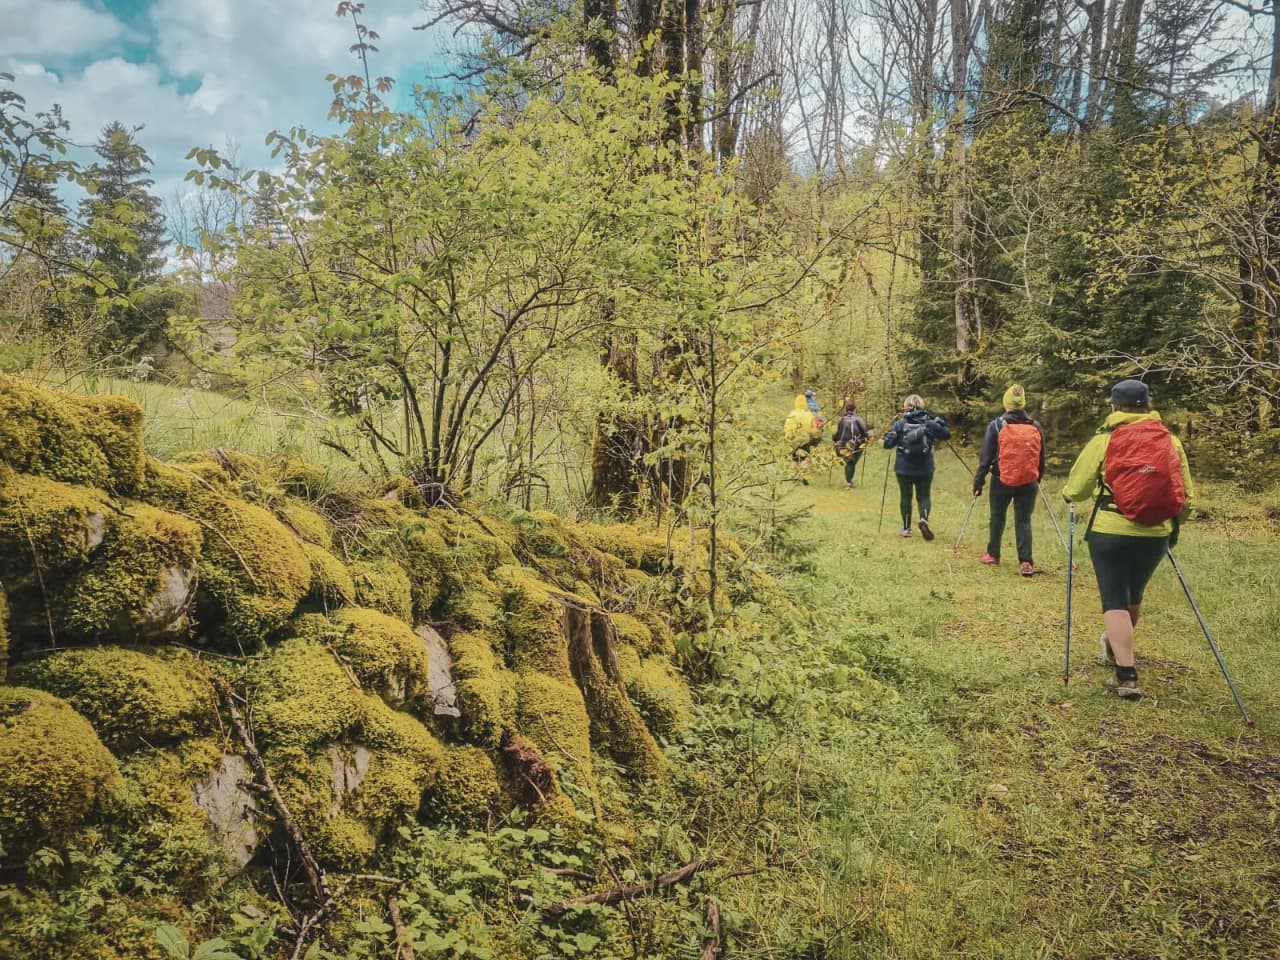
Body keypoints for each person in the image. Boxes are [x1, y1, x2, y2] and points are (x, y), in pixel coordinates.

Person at [1063, 379, 1193, 699]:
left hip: (1110, 530)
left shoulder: (1105, 439)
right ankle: (1116, 648)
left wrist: (1067, 494)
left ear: (1114, 406)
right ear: (1149, 405)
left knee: (1113, 599)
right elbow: (1186, 497)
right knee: (1133, 593)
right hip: (1156, 534)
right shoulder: (1170, 441)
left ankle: (1126, 675)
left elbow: (1077, 488)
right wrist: (1173, 526)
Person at [972, 384, 1046, 576]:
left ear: (1006, 403)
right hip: (1028, 481)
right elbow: (1041, 457)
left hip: (1001, 479)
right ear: (1023, 403)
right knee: (1023, 520)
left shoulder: (996, 425)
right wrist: (1038, 479)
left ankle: (993, 554)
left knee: (997, 517)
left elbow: (985, 458)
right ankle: (1026, 561)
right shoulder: (1035, 426)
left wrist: (978, 482)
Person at [883, 394, 950, 539]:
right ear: (922, 406)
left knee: (905, 496)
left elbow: (887, 445)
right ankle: (923, 519)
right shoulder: (931, 423)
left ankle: (906, 529)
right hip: (925, 466)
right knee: (924, 495)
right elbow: (946, 435)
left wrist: (887, 436)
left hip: (903, 467)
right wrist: (941, 423)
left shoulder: (900, 424)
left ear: (906, 407)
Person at [832, 401, 870, 489]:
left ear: (846, 409)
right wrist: (866, 439)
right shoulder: (858, 419)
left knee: (848, 462)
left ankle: (849, 481)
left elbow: (836, 433)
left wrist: (835, 441)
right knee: (851, 462)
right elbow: (864, 431)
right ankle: (849, 482)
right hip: (856, 444)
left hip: (843, 444)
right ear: (855, 410)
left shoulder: (841, 419)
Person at [784, 393, 822, 477]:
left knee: (794, 457)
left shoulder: (791, 414)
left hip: (794, 439)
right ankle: (803, 475)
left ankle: (793, 475)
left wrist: (787, 437)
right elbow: (814, 429)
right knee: (804, 457)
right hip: (805, 439)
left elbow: (787, 427)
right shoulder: (809, 415)